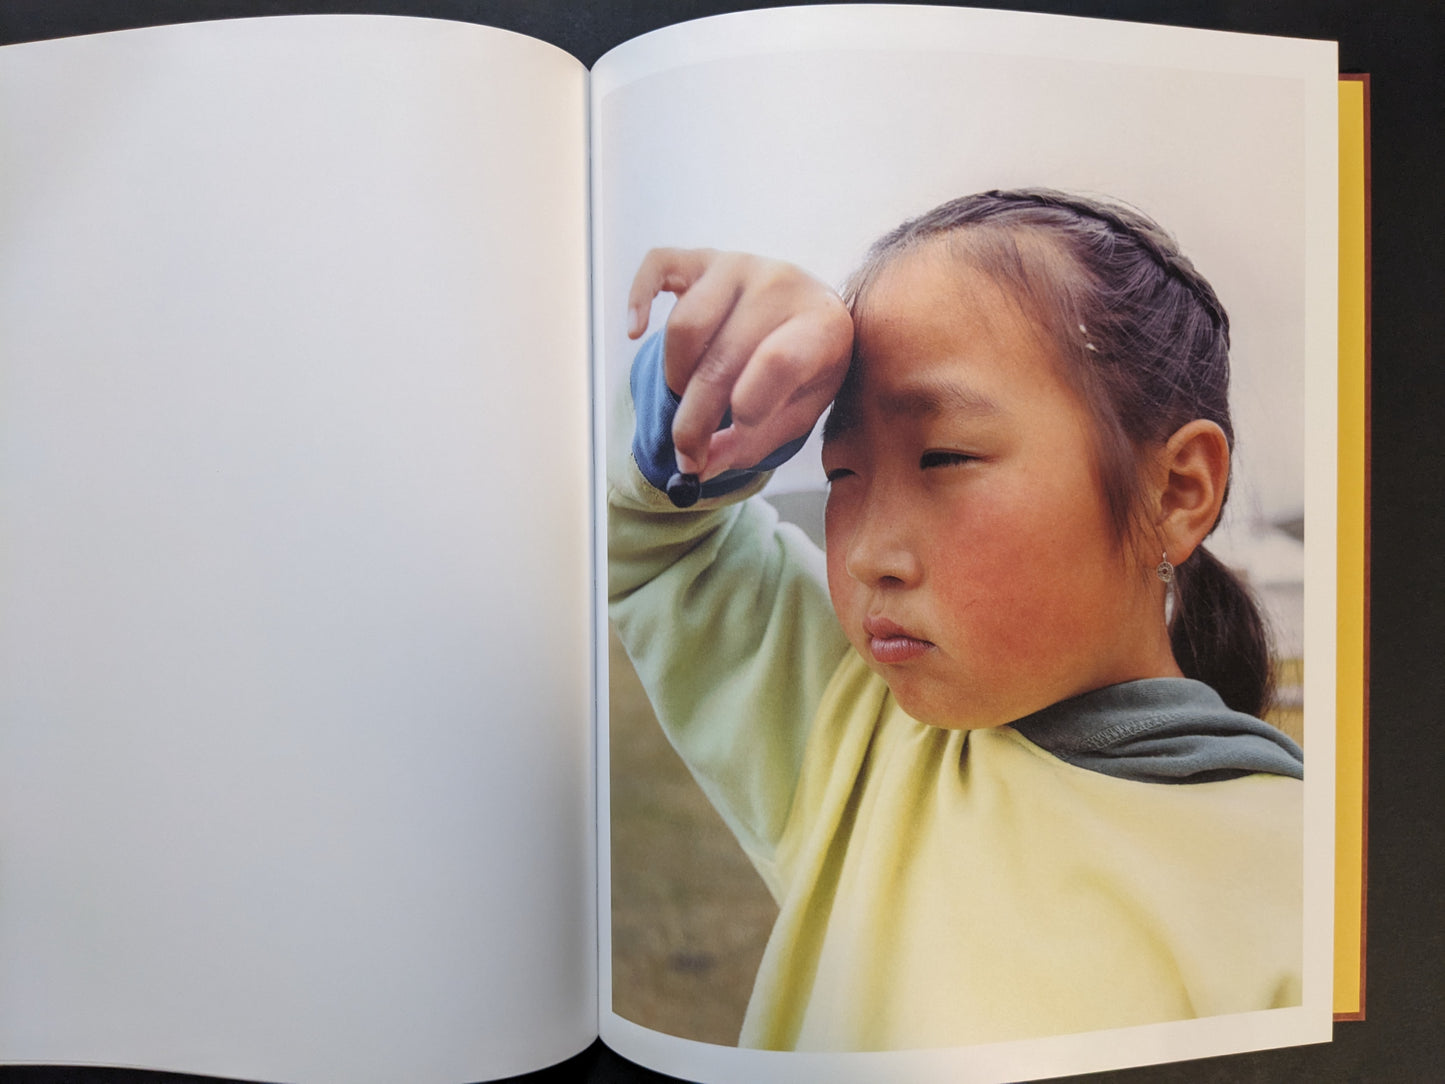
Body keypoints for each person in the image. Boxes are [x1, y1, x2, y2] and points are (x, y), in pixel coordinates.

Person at [608, 190, 1303, 1051]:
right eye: (840, 473)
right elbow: (657, 542)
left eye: (943, 456)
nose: (868, 557)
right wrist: (719, 391)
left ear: (1174, 491)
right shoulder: (854, 739)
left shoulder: (1309, 889)